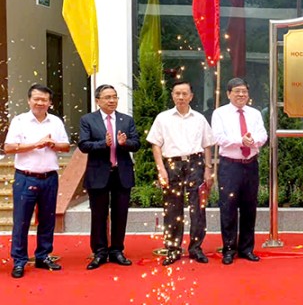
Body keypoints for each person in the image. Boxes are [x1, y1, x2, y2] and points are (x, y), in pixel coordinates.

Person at [5, 84, 70, 279]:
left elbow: (66, 146)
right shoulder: (20, 121)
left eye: (44, 100)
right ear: (29, 100)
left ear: (50, 102)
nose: (40, 103)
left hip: (49, 178)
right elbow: (8, 148)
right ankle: (19, 260)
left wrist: (53, 144)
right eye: (37, 99)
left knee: (47, 220)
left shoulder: (55, 121)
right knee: (21, 220)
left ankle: (43, 255)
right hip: (25, 177)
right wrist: (36, 144)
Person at [147, 81, 215, 266]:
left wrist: (209, 169)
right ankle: (173, 249)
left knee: (198, 208)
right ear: (172, 95)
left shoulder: (199, 118)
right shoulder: (163, 118)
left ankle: (196, 248)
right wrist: (161, 169)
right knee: (172, 209)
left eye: (185, 93)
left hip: (196, 164)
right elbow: (155, 145)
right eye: (177, 93)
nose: (181, 97)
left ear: (191, 96)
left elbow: (207, 145)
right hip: (172, 165)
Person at [78, 84, 140, 270]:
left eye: (114, 97)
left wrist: (125, 143)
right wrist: (102, 144)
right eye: (107, 97)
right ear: (98, 100)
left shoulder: (126, 120)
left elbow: (136, 144)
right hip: (98, 173)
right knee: (99, 215)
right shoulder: (88, 120)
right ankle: (99, 252)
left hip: (121, 173)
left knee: (120, 214)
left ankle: (117, 251)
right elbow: (83, 145)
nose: (112, 100)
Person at [211, 78, 268, 264]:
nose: (241, 94)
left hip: (251, 164)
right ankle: (228, 249)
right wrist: (240, 141)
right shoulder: (219, 113)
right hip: (230, 165)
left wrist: (254, 141)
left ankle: (246, 249)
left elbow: (263, 134)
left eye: (244, 91)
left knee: (249, 208)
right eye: (237, 91)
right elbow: (218, 137)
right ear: (228, 94)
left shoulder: (255, 113)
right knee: (228, 207)